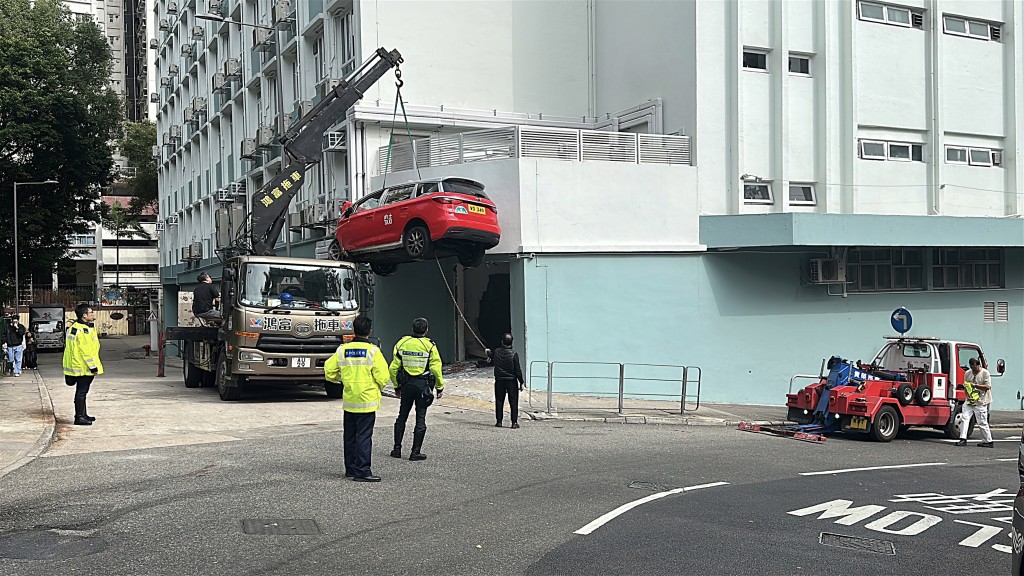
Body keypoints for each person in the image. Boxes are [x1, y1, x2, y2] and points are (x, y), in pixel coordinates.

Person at [324, 315, 390, 482]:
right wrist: (377, 387)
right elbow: (383, 376)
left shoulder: (342, 350)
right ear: (369, 331)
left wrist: (343, 380)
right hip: (367, 401)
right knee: (364, 436)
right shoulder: (373, 351)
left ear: (354, 330)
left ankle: (351, 469)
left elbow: (329, 371)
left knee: (350, 436)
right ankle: (363, 471)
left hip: (349, 400)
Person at [390, 317, 444, 461]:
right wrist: (440, 387)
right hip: (423, 386)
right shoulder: (430, 346)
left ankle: (397, 449)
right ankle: (415, 452)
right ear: (426, 330)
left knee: (402, 416)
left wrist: (396, 386)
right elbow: (435, 368)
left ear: (413, 329)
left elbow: (393, 368)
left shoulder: (403, 343)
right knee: (420, 417)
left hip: (406, 385)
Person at [63, 304, 103, 426]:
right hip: (83, 367)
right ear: (84, 315)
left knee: (81, 392)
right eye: (91, 312)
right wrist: (93, 366)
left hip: (76, 365)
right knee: (82, 392)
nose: (93, 314)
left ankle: (83, 414)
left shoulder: (74, 328)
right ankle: (79, 417)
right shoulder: (83, 331)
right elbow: (86, 351)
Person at [957, 357, 993, 447]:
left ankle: (988, 441)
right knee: (964, 418)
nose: (973, 370)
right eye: (972, 368)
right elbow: (966, 386)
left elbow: (988, 387)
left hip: (981, 401)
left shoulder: (985, 373)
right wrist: (968, 397)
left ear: (978, 365)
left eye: (975, 368)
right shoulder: (968, 373)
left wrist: (975, 385)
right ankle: (962, 439)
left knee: (982, 421)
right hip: (969, 401)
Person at [492, 333, 525, 429]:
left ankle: (499, 422)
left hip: (499, 380)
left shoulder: (497, 352)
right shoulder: (514, 354)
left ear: (502, 341)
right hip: (511, 381)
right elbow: (517, 370)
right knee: (513, 402)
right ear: (511, 342)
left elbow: (491, 356)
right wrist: (521, 382)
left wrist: (488, 352)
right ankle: (514, 423)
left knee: (499, 401)